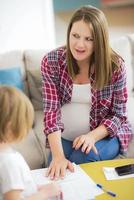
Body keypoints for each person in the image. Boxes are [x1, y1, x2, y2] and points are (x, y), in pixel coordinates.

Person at [41, 5, 132, 180]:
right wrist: (58, 156)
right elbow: (50, 111)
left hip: (103, 135)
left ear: (99, 41)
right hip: (65, 137)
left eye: (89, 39)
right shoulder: (51, 61)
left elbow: (119, 115)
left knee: (83, 158)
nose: (79, 44)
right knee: (55, 168)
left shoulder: (115, 66)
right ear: (68, 33)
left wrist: (92, 136)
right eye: (75, 36)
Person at [0, 85, 62, 200]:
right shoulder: (9, 162)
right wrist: (45, 194)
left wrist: (34, 190)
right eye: (26, 124)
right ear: (10, 127)